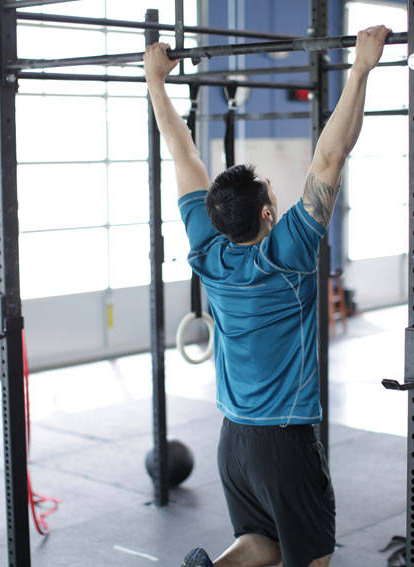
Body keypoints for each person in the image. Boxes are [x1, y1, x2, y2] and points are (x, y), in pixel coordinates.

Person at [144, 24, 391, 567]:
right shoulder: (287, 255)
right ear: (266, 214)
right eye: (274, 197)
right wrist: (361, 68)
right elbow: (329, 158)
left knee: (264, 544)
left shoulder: (207, 249)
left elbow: (182, 155)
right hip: (285, 442)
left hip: (234, 444)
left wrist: (155, 83)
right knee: (312, 556)